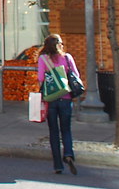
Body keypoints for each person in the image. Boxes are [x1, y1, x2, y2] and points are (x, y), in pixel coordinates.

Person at [37, 34, 79, 175]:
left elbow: (41, 78)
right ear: (59, 44)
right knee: (66, 129)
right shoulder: (67, 58)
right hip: (66, 98)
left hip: (51, 99)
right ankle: (68, 153)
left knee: (53, 132)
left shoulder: (43, 59)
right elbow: (76, 75)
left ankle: (58, 166)